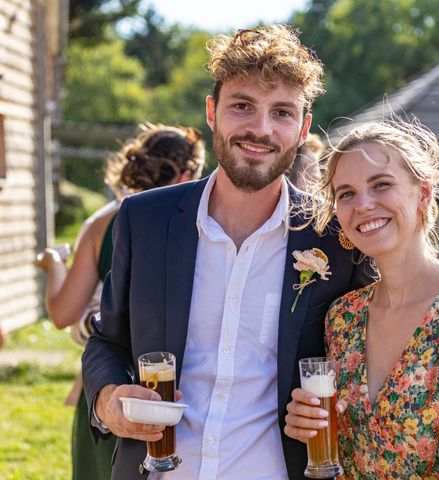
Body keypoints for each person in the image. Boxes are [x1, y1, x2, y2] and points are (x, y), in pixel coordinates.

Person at [81, 25, 370, 480]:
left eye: (281, 112)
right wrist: (106, 399)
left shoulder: (336, 236)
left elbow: (367, 365)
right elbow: (108, 340)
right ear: (212, 112)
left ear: (303, 128)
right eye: (242, 106)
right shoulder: (144, 219)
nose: (260, 128)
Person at [284, 120, 439, 478]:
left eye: (381, 185)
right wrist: (303, 424)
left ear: (423, 193)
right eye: (347, 193)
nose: (363, 205)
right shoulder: (343, 317)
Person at [36, 123, 205, 480]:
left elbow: (63, 313)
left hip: (105, 388)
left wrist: (54, 265)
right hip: (168, 395)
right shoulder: (201, 224)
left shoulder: (101, 224)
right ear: (188, 174)